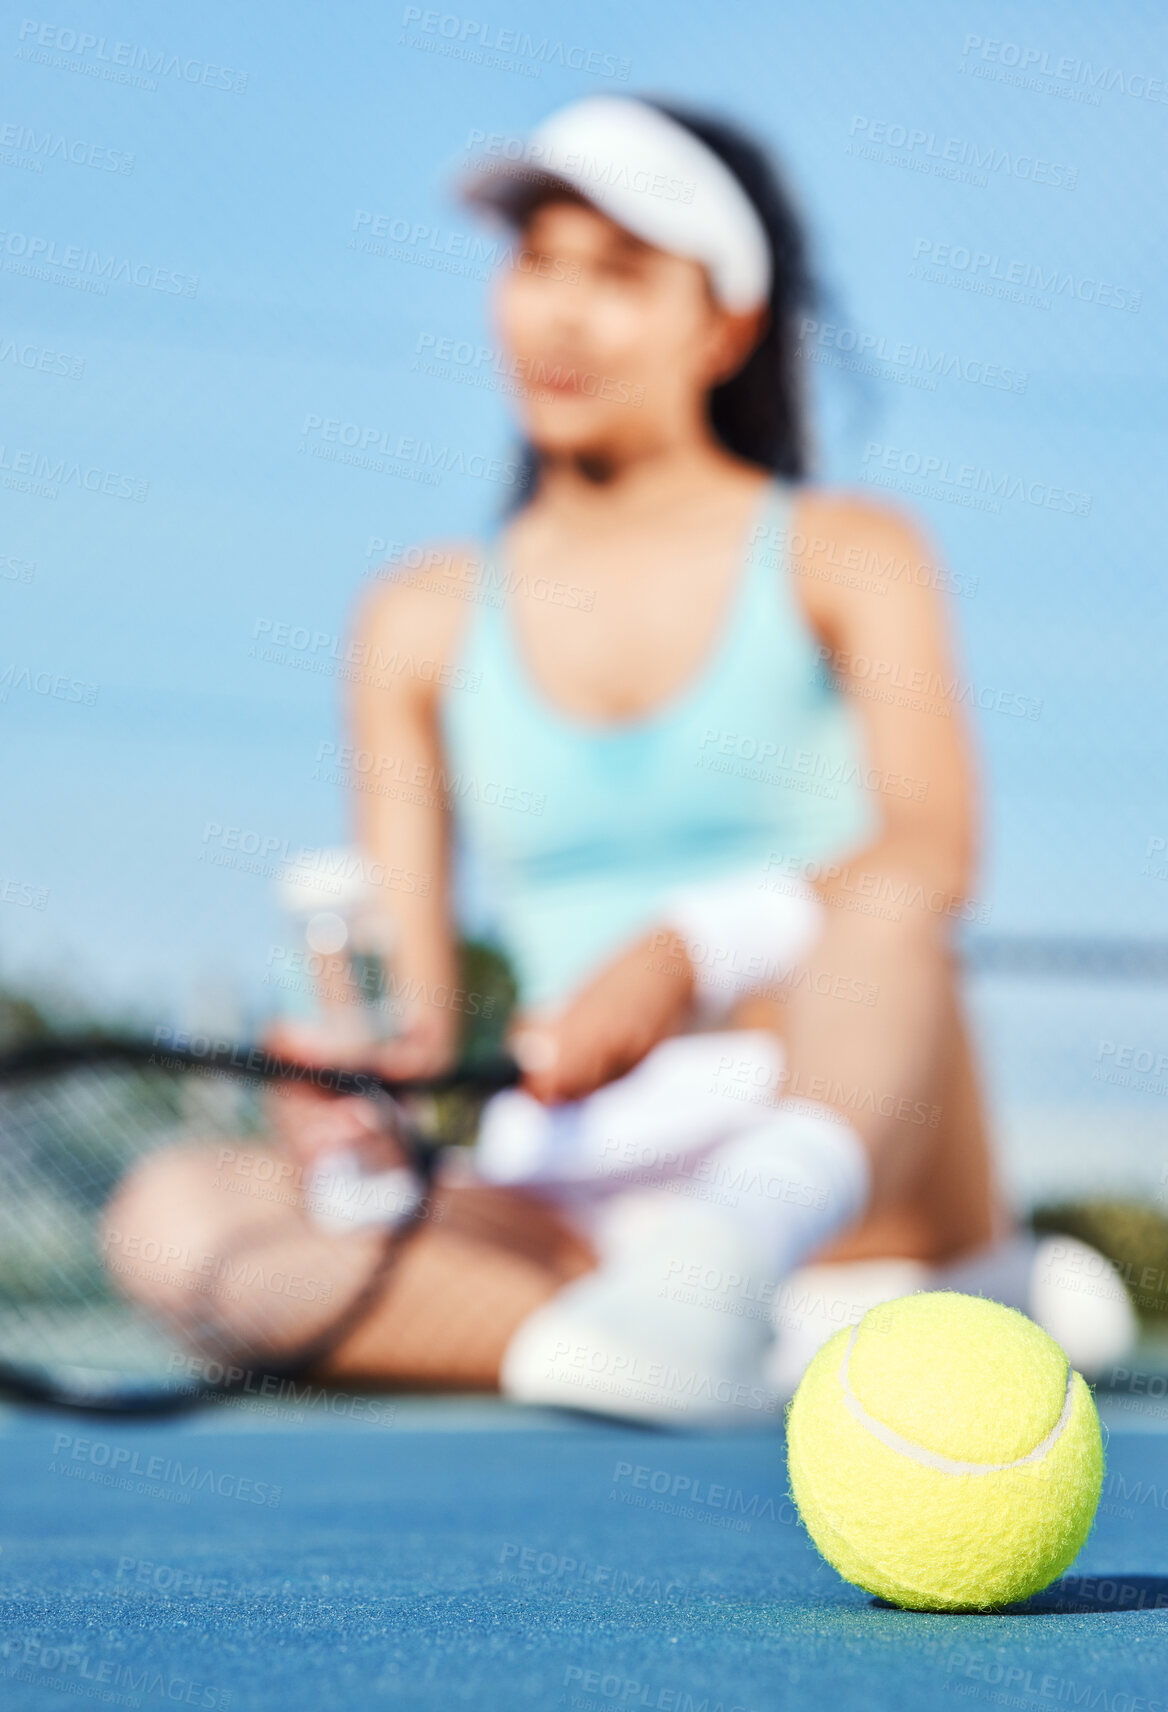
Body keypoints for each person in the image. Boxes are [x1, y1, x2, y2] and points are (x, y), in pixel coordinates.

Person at [110, 95, 1133, 1420]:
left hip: (863, 1153)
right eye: (537, 262)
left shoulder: (852, 553)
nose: (559, 316)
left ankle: (743, 1271)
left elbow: (935, 855)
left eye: (621, 274)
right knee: (177, 1217)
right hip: (576, 1203)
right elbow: (418, 1017)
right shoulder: (414, 618)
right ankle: (689, 1345)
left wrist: (679, 953)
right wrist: (361, 1094)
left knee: (888, 912)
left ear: (728, 325)